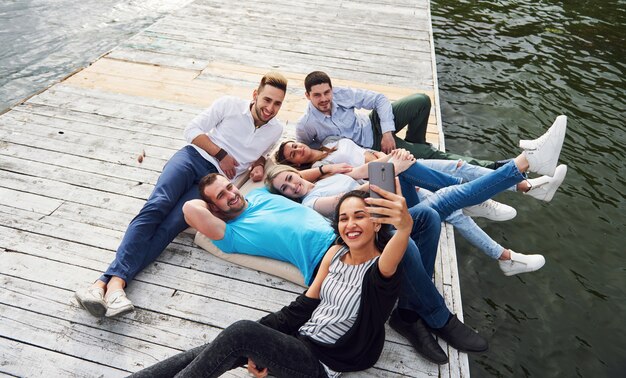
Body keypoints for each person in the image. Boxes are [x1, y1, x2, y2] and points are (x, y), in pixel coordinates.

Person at [130, 187, 415, 377]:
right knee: (217, 346)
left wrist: (403, 226)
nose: (350, 224)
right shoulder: (336, 253)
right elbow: (302, 308)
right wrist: (261, 338)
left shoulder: (380, 269)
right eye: (343, 218)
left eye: (360, 216)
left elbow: (398, 242)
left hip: (321, 363)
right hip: (298, 340)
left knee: (240, 334)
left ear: (376, 223)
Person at [74, 72, 289, 318]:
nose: (270, 108)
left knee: (171, 226)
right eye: (267, 100)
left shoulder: (275, 130)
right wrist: (221, 154)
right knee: (158, 206)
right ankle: (115, 284)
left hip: (213, 183)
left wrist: (260, 163)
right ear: (255, 95)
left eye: (277, 103)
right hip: (192, 158)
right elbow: (191, 129)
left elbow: (265, 151)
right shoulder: (229, 105)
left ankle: (104, 284)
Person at [266, 118, 566, 276]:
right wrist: (389, 168)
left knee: (443, 171)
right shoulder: (312, 203)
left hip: (391, 191)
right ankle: (524, 168)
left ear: (296, 173)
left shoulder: (325, 175)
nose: (291, 186)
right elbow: (350, 201)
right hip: (386, 217)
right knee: (449, 198)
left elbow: (363, 170)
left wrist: (392, 160)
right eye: (284, 188)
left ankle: (517, 195)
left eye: (289, 178)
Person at [295, 70, 499, 168]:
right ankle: (492, 167)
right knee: (430, 153)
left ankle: (415, 142)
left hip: (373, 124)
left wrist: (387, 132)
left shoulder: (340, 94)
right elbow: (306, 151)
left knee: (421, 101)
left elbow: (379, 99)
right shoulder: (306, 124)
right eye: (317, 95)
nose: (324, 99)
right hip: (369, 146)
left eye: (326, 93)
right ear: (307, 96)